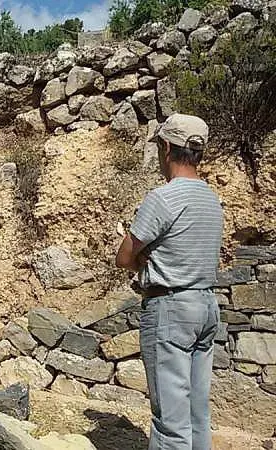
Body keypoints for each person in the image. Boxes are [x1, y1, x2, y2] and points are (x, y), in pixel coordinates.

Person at [115, 114, 223, 450]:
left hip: (170, 308)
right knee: (196, 416)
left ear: (165, 147)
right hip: (206, 306)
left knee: (171, 423)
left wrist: (142, 260)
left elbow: (123, 258)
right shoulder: (211, 200)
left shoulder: (162, 198)